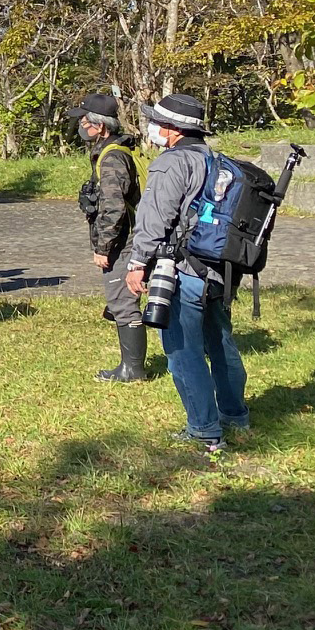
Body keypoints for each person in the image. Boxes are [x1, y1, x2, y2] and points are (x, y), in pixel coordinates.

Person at [123, 94, 247, 454]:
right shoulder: (215, 160)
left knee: (182, 350)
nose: (151, 128)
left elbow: (154, 218)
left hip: (182, 270)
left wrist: (137, 264)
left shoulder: (170, 164)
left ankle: (205, 431)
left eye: (155, 122)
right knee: (221, 343)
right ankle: (235, 415)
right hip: (219, 270)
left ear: (173, 130)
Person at [76, 92, 147, 383]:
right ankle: (131, 365)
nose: (80, 125)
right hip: (130, 235)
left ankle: (132, 369)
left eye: (84, 120)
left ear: (100, 126)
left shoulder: (112, 157)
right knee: (121, 300)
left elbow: (113, 207)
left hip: (124, 240)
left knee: (122, 301)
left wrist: (103, 247)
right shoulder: (119, 149)